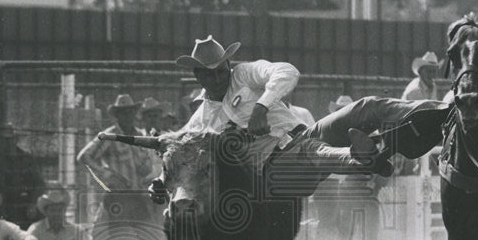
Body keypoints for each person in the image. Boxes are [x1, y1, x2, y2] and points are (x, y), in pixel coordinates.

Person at [150, 35, 414, 204]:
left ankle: (424, 117)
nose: (219, 78)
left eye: (222, 71)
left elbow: (287, 71)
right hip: (269, 175)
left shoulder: (244, 74)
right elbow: (178, 150)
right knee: (311, 151)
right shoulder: (201, 120)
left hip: (301, 138)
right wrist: (161, 183)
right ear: (198, 77)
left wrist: (262, 107)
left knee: (363, 107)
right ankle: (361, 159)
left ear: (228, 65)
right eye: (211, 75)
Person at [77, 93, 163, 237]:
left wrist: (146, 169)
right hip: (119, 196)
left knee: (146, 239)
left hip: (140, 196)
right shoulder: (109, 136)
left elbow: (148, 164)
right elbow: (84, 157)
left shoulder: (140, 135)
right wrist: (106, 174)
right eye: (123, 112)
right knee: (120, 239)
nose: (128, 115)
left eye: (130, 111)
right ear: (117, 115)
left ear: (135, 113)